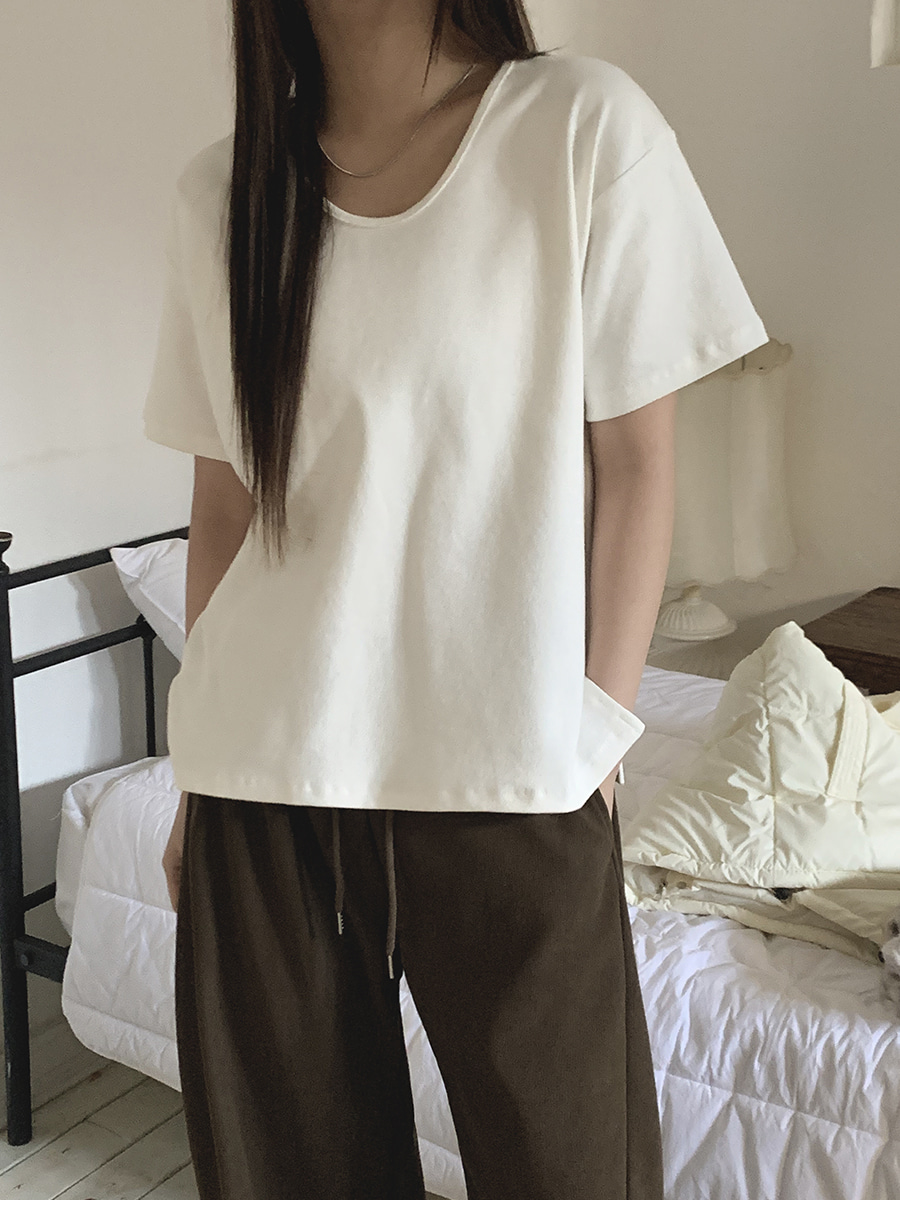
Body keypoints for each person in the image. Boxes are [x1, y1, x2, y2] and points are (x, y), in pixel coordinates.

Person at [143, 0, 768, 1198]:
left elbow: (638, 468)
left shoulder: (582, 126)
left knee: (576, 1176)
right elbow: (222, 512)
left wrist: (596, 734)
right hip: (261, 791)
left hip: (513, 780)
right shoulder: (223, 195)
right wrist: (192, 777)